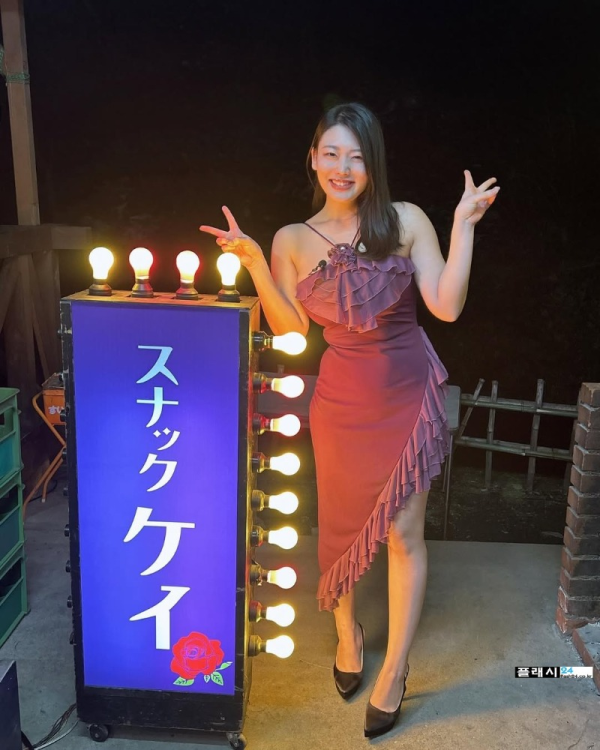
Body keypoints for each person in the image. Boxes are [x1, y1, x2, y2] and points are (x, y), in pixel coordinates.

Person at [200, 102, 499, 739]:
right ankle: (347, 633)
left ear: (372, 165)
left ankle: (394, 670)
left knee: (403, 534)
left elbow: (445, 306)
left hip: (406, 394)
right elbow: (293, 332)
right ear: (313, 158)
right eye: (332, 153)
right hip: (339, 403)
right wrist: (254, 263)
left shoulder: (406, 220)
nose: (343, 167)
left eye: (357, 157)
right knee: (338, 528)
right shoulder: (291, 239)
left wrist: (463, 224)